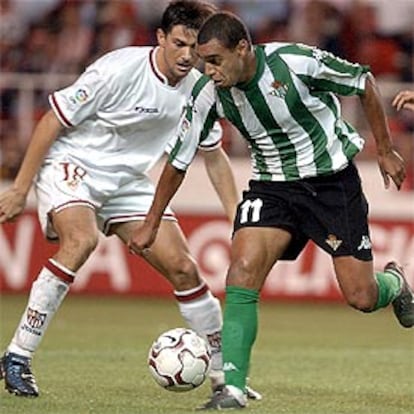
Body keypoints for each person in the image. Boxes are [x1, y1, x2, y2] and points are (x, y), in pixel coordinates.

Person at [129, 11, 414, 410]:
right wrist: (152, 222)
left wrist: (384, 150)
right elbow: (179, 160)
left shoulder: (295, 62)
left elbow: (362, 80)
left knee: (361, 296)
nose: (207, 71)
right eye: (202, 62)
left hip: (330, 183)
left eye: (214, 60)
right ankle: (232, 388)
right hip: (272, 188)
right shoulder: (208, 93)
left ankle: (394, 284)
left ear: (242, 48)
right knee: (241, 270)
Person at [0, 2, 263, 403]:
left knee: (184, 268)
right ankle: (17, 356)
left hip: (128, 182)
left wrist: (235, 218)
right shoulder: (118, 69)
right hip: (74, 164)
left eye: (195, 48)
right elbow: (53, 119)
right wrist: (21, 187)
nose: (187, 56)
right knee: (81, 240)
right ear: (160, 37)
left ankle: (222, 376)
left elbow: (214, 156)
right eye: (179, 44)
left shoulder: (200, 89)